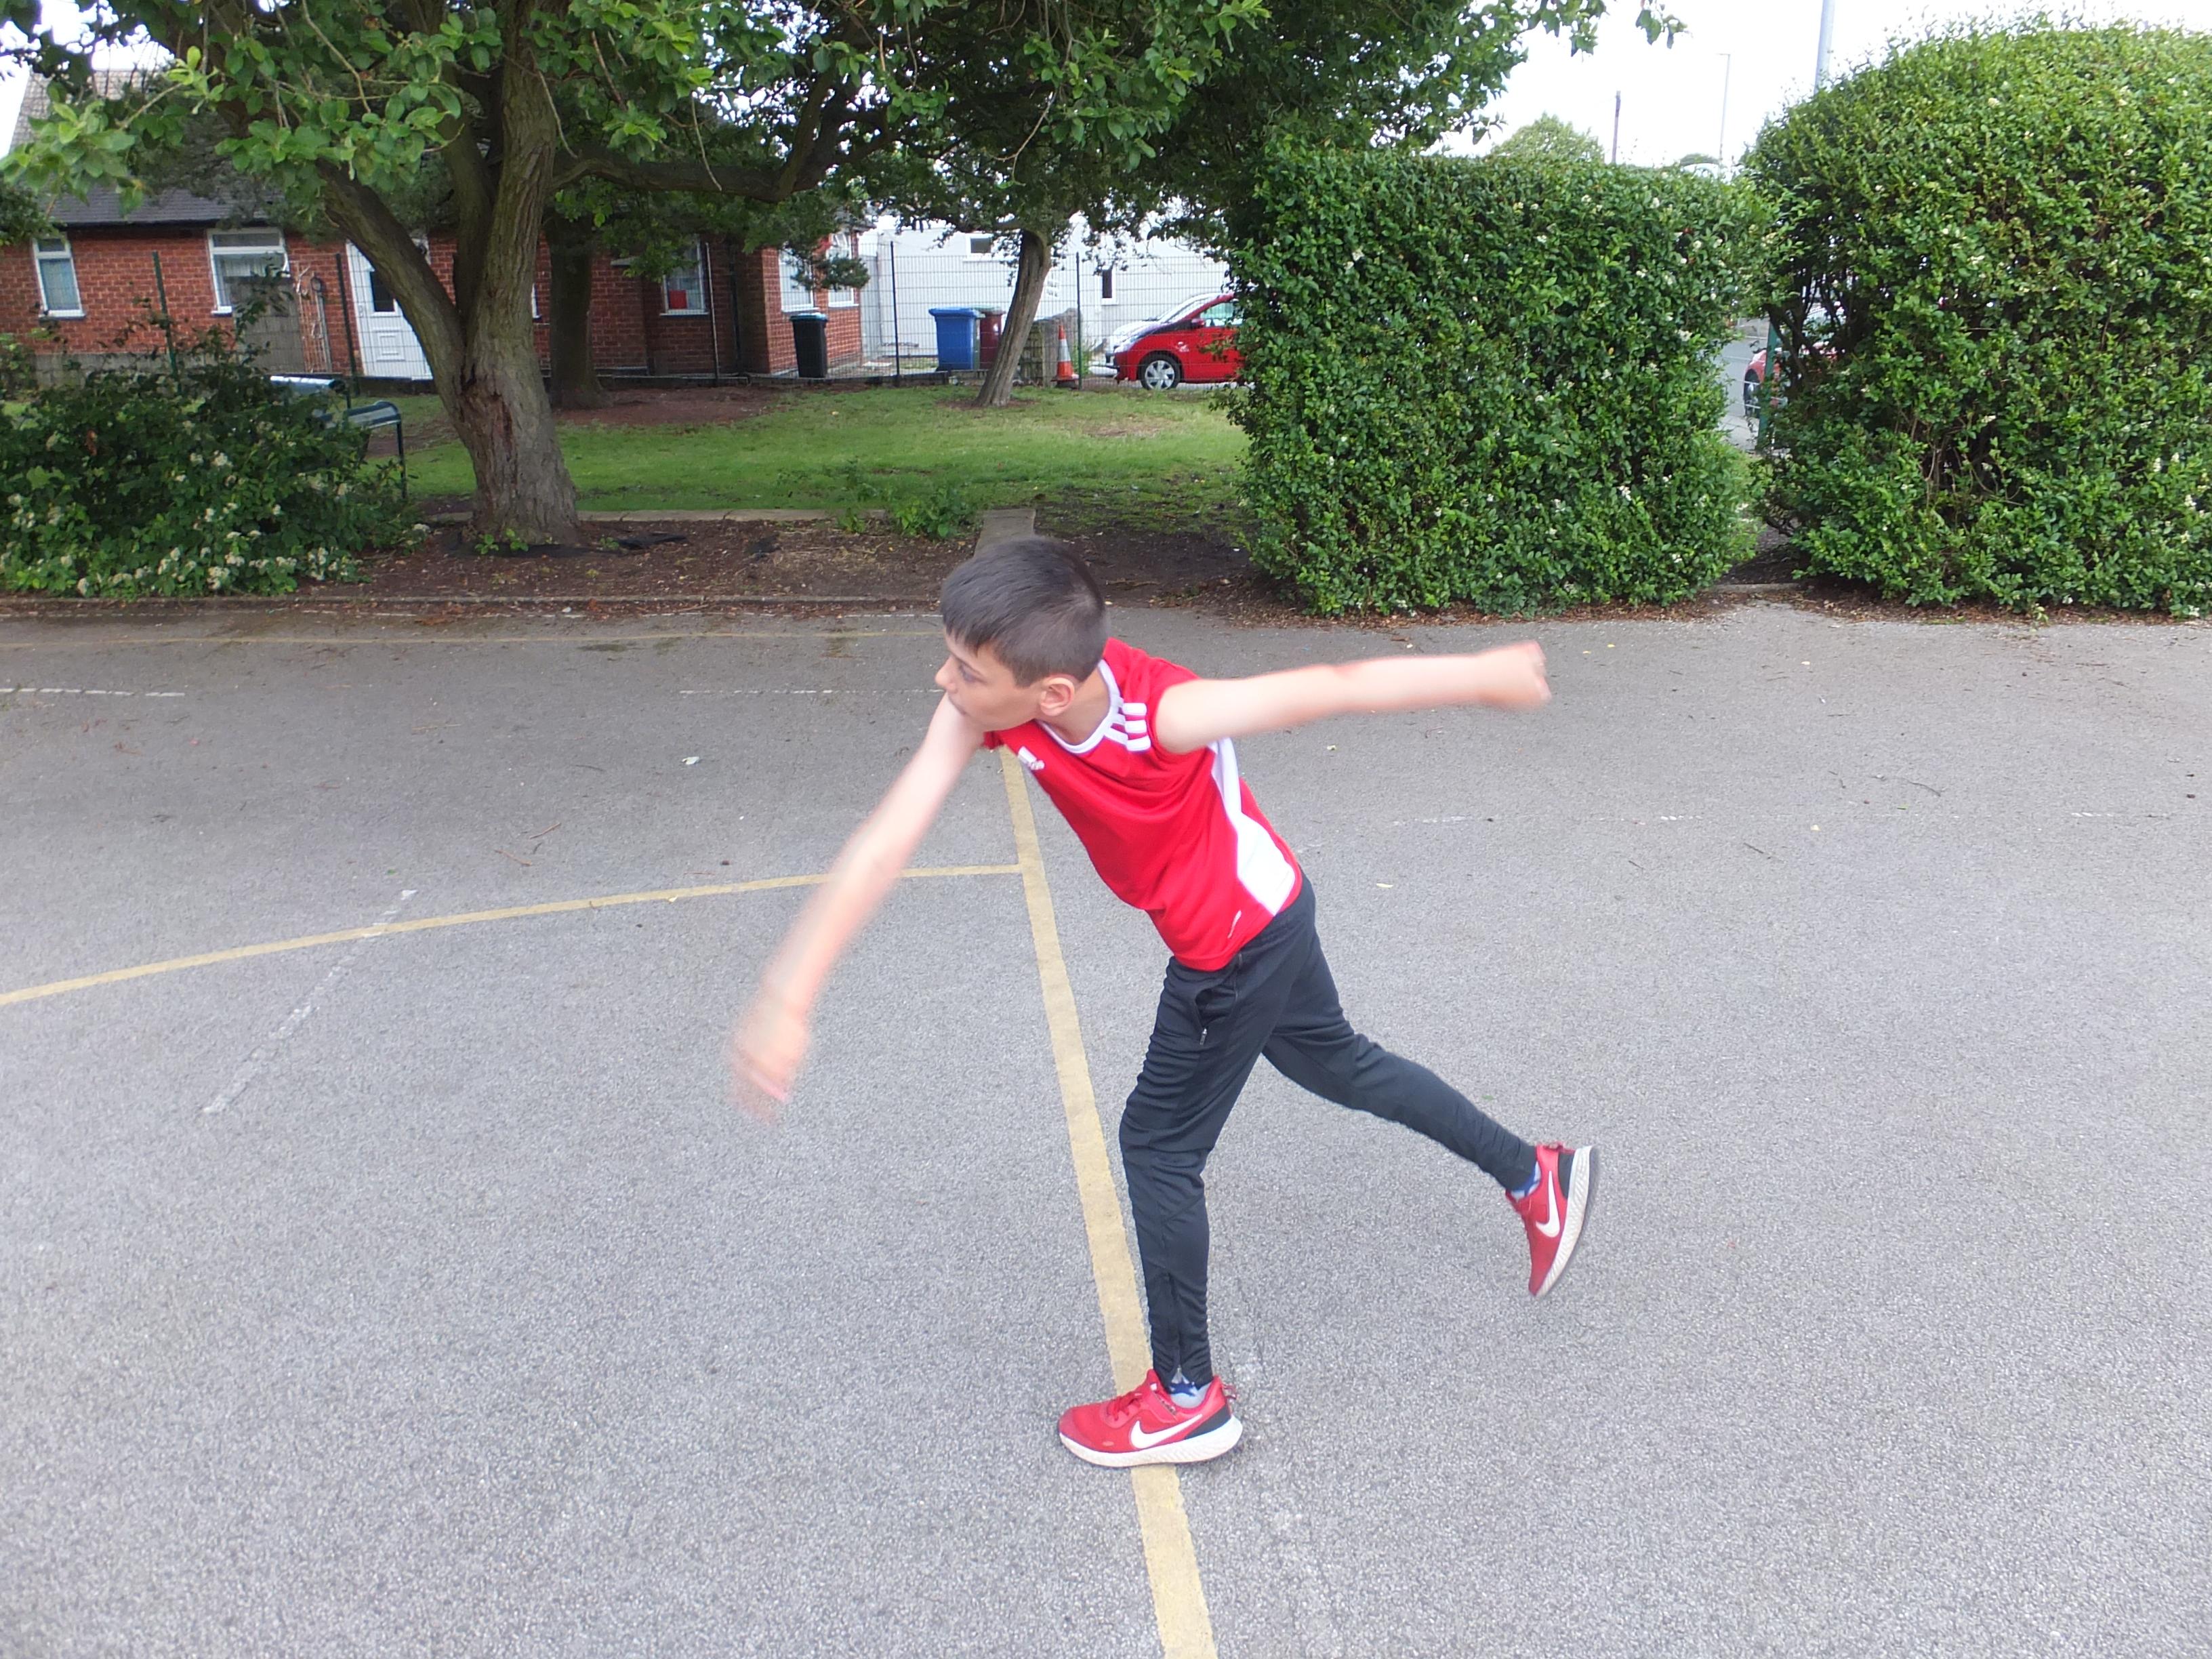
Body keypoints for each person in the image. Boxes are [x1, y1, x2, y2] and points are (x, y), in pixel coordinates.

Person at [731, 537, 1593, 1469]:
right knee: (1339, 1065)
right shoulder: (991, 703)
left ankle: (1187, 1399)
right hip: (1273, 907)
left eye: (965, 670)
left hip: (1237, 945)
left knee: (1157, 1147)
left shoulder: (1165, 715)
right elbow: (885, 841)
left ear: (1051, 693)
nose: (945, 680)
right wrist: (789, 994)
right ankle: (1534, 1175)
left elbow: (1325, 689)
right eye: (951, 658)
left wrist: (1483, 676)